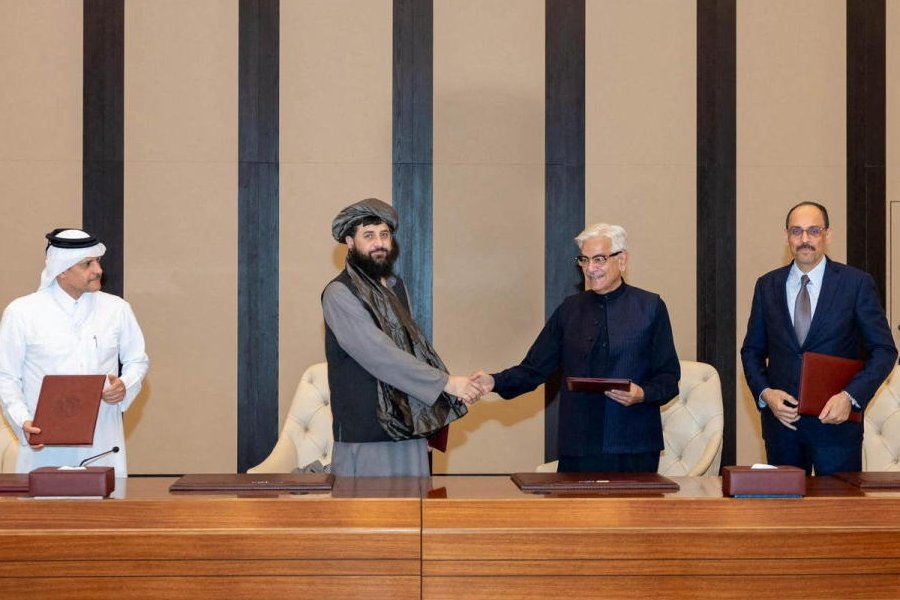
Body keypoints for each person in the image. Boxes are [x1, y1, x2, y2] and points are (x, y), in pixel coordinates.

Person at [471, 223, 680, 473]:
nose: (590, 269)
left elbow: (669, 378)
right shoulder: (569, 310)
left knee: (631, 514)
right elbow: (533, 369)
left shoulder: (650, 307)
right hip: (579, 446)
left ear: (622, 259)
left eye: (600, 259)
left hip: (634, 445)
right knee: (575, 513)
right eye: (584, 260)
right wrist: (493, 382)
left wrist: (642, 393)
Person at [322, 198, 481, 477]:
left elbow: (412, 351)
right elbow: (380, 355)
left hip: (408, 428)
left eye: (384, 235)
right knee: (368, 519)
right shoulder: (339, 293)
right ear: (349, 241)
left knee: (413, 515)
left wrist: (429, 419)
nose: (379, 243)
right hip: (367, 434)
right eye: (368, 236)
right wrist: (446, 383)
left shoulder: (396, 287)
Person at [741, 202, 897, 475]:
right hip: (782, 428)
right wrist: (766, 394)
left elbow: (884, 350)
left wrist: (850, 397)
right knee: (783, 513)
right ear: (786, 236)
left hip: (836, 429)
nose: (805, 240)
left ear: (828, 235)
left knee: (837, 513)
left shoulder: (856, 284)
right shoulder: (767, 285)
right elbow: (751, 351)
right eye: (796, 231)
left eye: (813, 231)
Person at [0, 228, 149, 476]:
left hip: (102, 443)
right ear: (62, 271)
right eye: (87, 264)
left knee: (103, 514)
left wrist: (125, 384)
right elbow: (6, 376)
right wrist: (22, 420)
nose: (98, 270)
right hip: (44, 445)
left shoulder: (117, 309)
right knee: (46, 514)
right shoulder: (22, 313)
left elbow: (137, 361)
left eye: (98, 262)